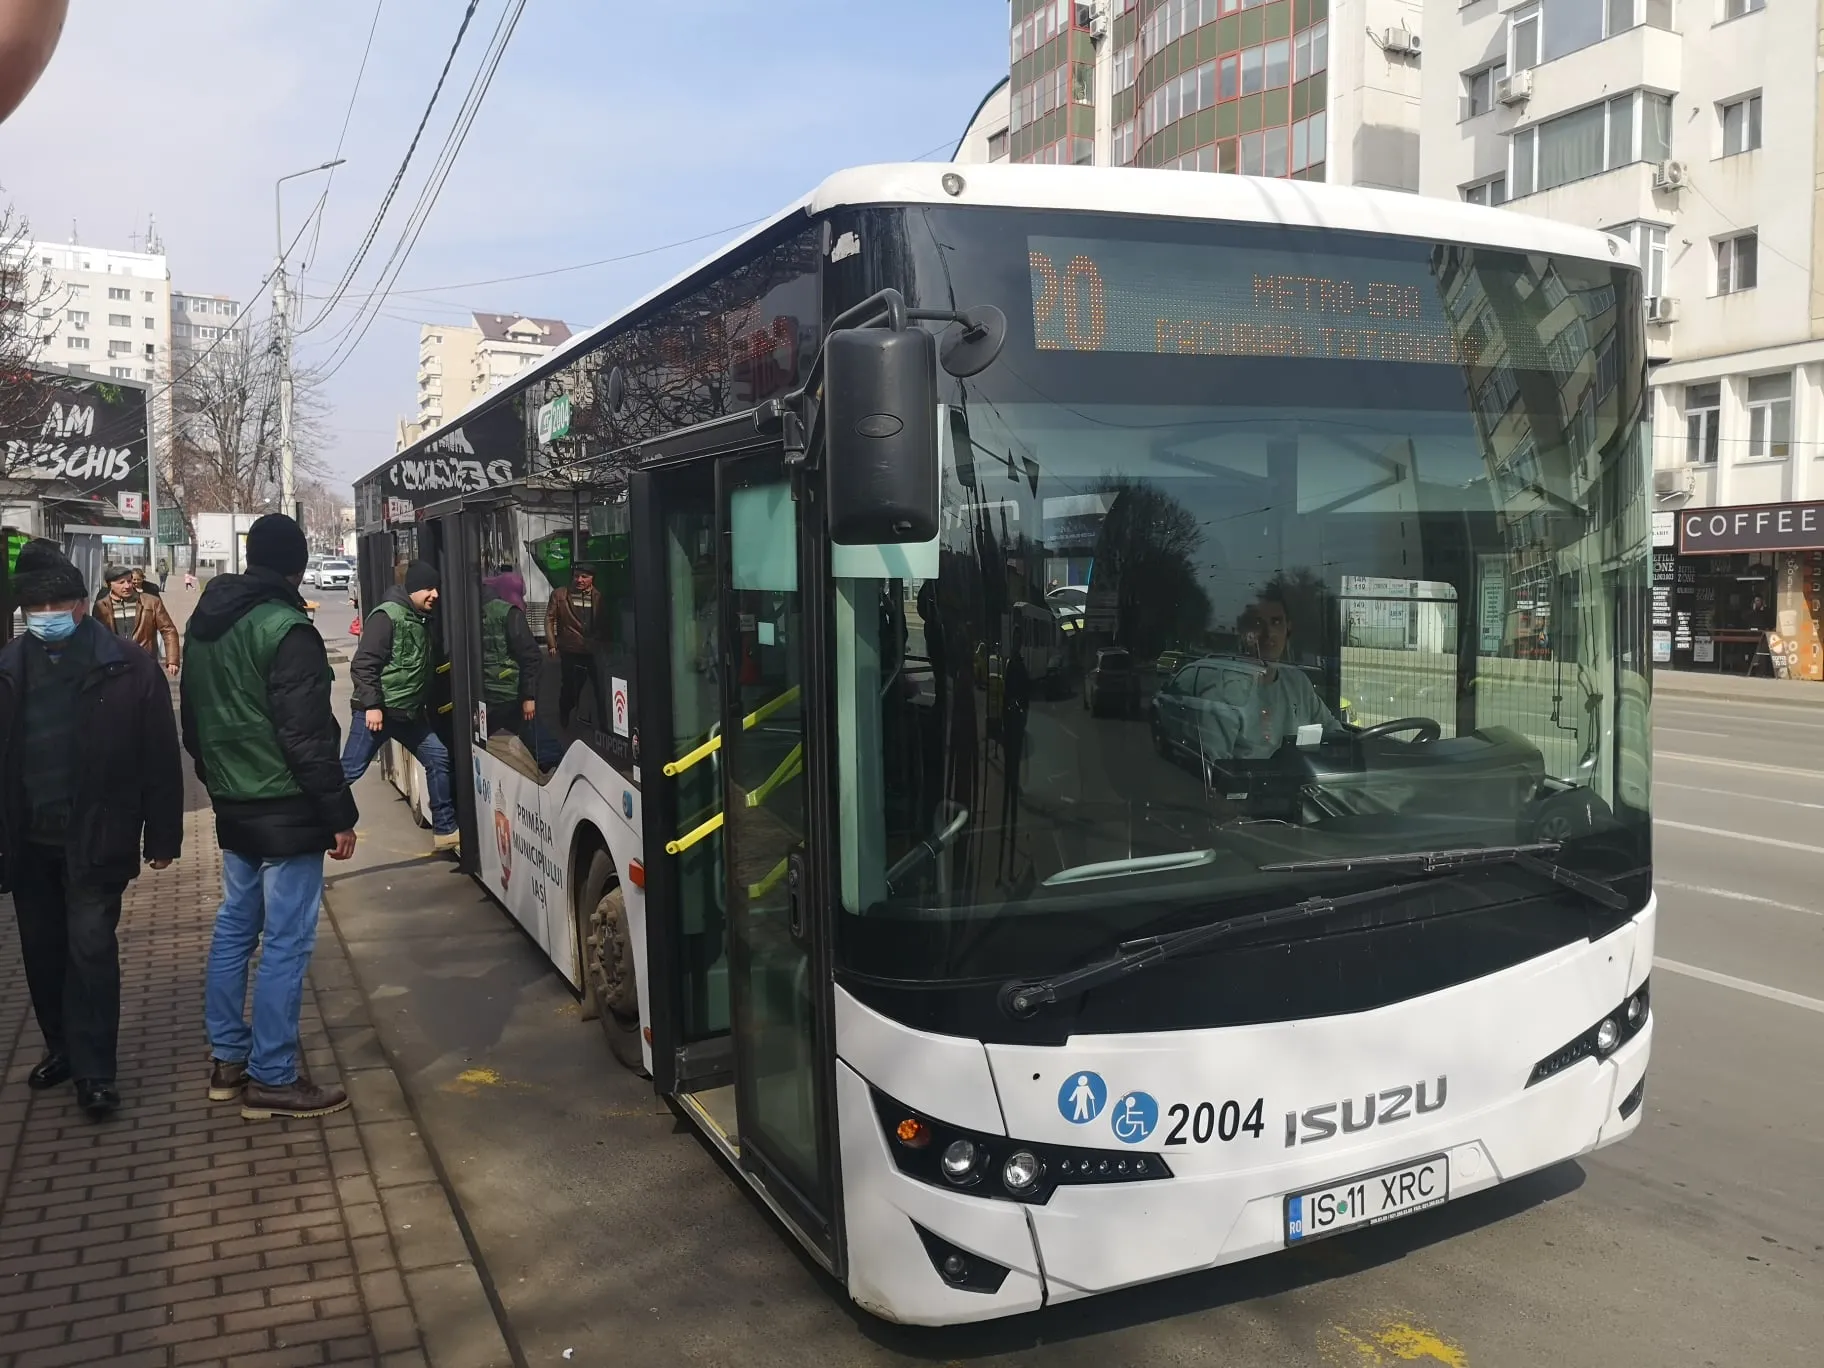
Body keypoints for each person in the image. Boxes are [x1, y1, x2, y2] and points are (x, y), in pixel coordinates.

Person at [180, 514, 358, 1120]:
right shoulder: (287, 628)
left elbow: (192, 722)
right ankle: (274, 1076)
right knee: (286, 940)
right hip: (287, 805)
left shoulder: (203, 623)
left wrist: (220, 781)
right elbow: (307, 737)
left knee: (235, 927)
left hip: (234, 801)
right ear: (298, 567)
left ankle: (228, 1060)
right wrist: (338, 815)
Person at [0, 538, 183, 1118]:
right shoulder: (9, 667)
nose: (46, 615)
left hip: (97, 836)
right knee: (42, 953)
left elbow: (160, 757)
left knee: (90, 951)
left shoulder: (127, 667)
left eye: (56, 604)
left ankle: (96, 1070)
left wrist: (163, 836)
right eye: (35, 607)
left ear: (81, 604)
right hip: (27, 842)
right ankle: (62, 1047)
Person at [341, 560, 457, 852]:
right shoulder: (387, 617)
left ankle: (445, 830)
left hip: (408, 713)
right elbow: (363, 665)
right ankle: (312, 826)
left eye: (436, 588)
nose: (435, 594)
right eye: (428, 588)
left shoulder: (420, 618)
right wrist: (372, 706)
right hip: (377, 713)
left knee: (438, 758)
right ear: (413, 589)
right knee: (348, 771)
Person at [1228, 591, 1341, 758]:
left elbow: (1333, 732)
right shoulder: (1226, 689)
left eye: (1276, 622)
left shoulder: (1298, 683)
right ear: (1244, 631)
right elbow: (1213, 763)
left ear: (1288, 628)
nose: (1269, 633)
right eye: (1258, 623)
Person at [479, 567, 555, 765]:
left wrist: (529, 696)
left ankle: (556, 764)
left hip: (508, 695)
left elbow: (532, 658)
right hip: (494, 696)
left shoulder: (509, 614)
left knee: (535, 737)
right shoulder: (485, 612)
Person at [92, 563, 180, 678]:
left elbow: (168, 630)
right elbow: (95, 637)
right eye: (121, 583)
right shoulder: (101, 607)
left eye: (129, 581)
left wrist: (172, 660)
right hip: (114, 667)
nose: (127, 586)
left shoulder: (151, 602)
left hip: (144, 663)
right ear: (110, 584)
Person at [547, 564, 598, 728]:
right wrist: (552, 643)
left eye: (584, 577)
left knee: (599, 687)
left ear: (592, 578)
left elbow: (603, 622)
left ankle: (604, 723)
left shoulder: (598, 596)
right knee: (570, 686)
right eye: (576, 576)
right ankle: (565, 711)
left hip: (592, 650)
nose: (579, 580)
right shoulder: (560, 594)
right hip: (570, 649)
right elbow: (549, 619)